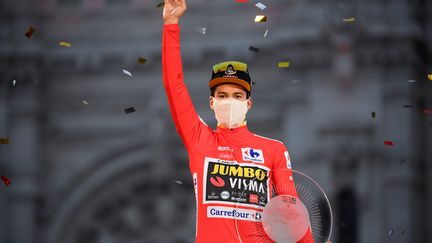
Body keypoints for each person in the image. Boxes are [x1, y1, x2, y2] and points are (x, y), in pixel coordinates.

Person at [161, 0, 317, 242]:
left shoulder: (273, 150)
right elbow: (174, 86)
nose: (229, 101)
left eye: (237, 96)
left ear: (248, 103)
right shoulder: (200, 140)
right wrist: (171, 25)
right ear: (211, 102)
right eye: (222, 96)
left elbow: (292, 211)